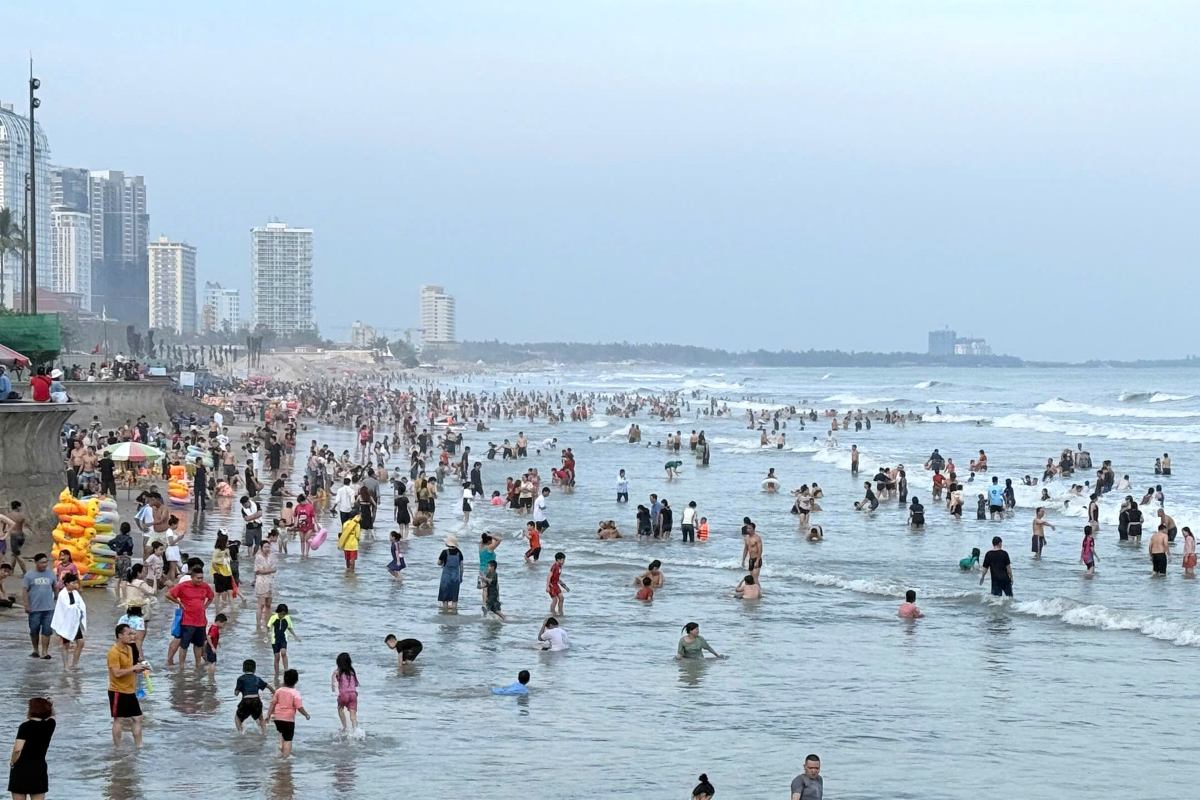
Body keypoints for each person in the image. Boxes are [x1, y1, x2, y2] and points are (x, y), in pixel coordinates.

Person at [107, 623, 150, 747]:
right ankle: (118, 748)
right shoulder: (113, 652)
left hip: (130, 690)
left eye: (133, 633)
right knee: (118, 720)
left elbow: (131, 668)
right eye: (129, 634)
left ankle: (139, 746)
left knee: (138, 718)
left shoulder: (130, 649)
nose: (133, 636)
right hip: (117, 691)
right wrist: (134, 668)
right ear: (120, 636)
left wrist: (139, 669)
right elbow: (116, 673)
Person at [166, 565, 215, 668]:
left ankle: (197, 665)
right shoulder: (183, 586)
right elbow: (168, 594)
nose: (200, 580)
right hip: (187, 621)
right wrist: (180, 603)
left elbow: (211, 597)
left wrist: (204, 607)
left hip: (201, 621)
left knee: (198, 645)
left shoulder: (205, 586)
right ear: (192, 577)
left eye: (202, 578)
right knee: (184, 645)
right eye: (198, 578)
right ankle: (182, 666)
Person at [7, 696, 55, 799]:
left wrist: (12, 762)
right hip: (39, 768)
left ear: (31, 709)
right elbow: (53, 715)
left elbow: (17, 749)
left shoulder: (25, 727)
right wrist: (49, 704)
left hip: (21, 768)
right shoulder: (50, 725)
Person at [266, 668, 310, 757]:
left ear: (284, 679)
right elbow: (299, 707)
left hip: (277, 719)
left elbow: (272, 703)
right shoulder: (295, 693)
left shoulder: (279, 691)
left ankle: (281, 746)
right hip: (288, 720)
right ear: (296, 681)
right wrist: (306, 714)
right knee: (288, 740)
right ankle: (285, 759)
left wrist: (268, 715)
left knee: (282, 733)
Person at [50, 572, 87, 670]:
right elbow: (65, 608)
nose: (75, 584)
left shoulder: (75, 593)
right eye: (73, 583)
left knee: (80, 642)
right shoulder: (62, 594)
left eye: (76, 582)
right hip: (65, 623)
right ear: (67, 584)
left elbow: (81, 605)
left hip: (74, 622)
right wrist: (76, 607)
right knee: (65, 644)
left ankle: (75, 664)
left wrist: (78, 609)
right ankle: (66, 666)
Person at [22, 554, 55, 659]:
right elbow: (24, 591)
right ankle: (35, 650)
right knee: (34, 630)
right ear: (36, 562)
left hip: (49, 608)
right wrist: (26, 605)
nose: (44, 564)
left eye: (46, 562)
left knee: (47, 631)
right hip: (34, 608)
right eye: (42, 562)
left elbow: (56, 587)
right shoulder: (29, 575)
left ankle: (45, 652)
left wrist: (58, 601)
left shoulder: (51, 574)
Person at [234, 658, 273, 734]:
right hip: (256, 700)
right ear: (254, 669)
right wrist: (275, 693)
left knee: (237, 717)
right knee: (261, 718)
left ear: (243, 669)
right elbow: (269, 686)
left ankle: (240, 733)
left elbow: (236, 693)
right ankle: (264, 734)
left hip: (246, 701)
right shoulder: (257, 679)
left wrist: (237, 691)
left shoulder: (240, 679)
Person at [268, 603, 300, 676]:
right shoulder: (273, 617)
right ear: (278, 612)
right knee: (277, 657)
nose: (282, 616)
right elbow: (268, 627)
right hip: (274, 640)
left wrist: (295, 636)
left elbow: (290, 628)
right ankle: (276, 673)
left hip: (283, 638)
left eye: (284, 614)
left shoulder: (287, 618)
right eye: (281, 614)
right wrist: (266, 635)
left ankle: (286, 670)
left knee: (283, 652)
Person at [331, 652, 360, 732]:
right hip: (353, 694)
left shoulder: (337, 672)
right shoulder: (352, 672)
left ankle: (345, 727)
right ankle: (355, 729)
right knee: (353, 714)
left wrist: (334, 689)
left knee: (340, 708)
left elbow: (333, 685)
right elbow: (356, 684)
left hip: (344, 694)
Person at [437, 535, 465, 611]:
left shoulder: (444, 552)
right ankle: (454, 614)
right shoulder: (459, 553)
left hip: (446, 578)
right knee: (454, 599)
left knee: (445, 599)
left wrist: (443, 563)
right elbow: (462, 567)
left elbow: (438, 563)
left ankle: (445, 614)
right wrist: (461, 577)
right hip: (456, 577)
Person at [547, 551, 569, 615]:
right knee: (555, 600)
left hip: (556, 585)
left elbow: (557, 578)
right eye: (563, 560)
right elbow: (549, 576)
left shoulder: (560, 567)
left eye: (564, 560)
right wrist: (547, 586)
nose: (564, 561)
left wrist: (564, 586)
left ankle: (560, 611)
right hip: (551, 585)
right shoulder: (554, 567)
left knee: (561, 598)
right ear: (558, 560)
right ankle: (552, 612)